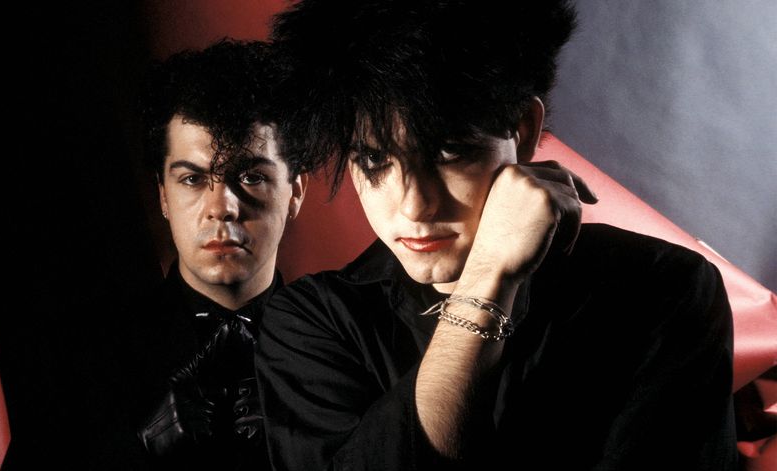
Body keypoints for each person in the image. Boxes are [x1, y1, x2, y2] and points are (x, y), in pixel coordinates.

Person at [255, 1, 737, 469]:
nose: (414, 206)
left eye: (448, 153)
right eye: (375, 161)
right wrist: (488, 277)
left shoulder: (663, 291)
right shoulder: (312, 322)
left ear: (522, 131)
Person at [133, 39, 308, 470]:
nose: (221, 207)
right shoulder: (92, 357)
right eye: (192, 179)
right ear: (163, 196)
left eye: (250, 176)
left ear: (295, 193)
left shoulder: (349, 348)